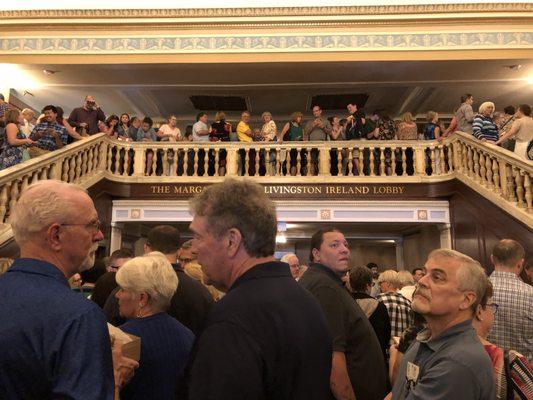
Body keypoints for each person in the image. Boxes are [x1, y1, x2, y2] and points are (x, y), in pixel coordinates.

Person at [187, 179, 333, 399]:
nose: (193, 249)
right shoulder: (306, 300)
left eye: (198, 236)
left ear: (231, 241)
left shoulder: (231, 320)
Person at [0, 180, 132, 398]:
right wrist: (114, 381)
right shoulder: (79, 317)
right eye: (92, 225)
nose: (99, 235)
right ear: (56, 236)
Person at [391, 249, 495, 400]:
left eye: (437, 277)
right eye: (425, 273)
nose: (421, 281)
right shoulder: (425, 338)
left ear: (466, 300)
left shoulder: (458, 363)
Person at [299, 228, 387, 400]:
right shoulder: (323, 287)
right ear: (316, 254)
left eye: (345, 245)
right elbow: (332, 358)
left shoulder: (326, 282)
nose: (344, 249)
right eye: (334, 245)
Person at [105, 225, 213, 336]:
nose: (119, 294)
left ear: (146, 248)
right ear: (179, 251)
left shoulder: (129, 289)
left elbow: (107, 334)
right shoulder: (201, 292)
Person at [116, 252, 195, 400]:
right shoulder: (187, 335)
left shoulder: (124, 338)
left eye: (122, 289)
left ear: (142, 298)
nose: (117, 295)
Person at [472, 277, 533, 400]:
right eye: (492, 306)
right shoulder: (511, 362)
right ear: (479, 312)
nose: (493, 311)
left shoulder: (440, 348)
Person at [488, 239, 532, 361]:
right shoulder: (531, 294)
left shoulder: (476, 291)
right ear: (520, 263)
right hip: (524, 375)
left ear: (492, 259)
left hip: (485, 372)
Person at [349, 266, 391, 363]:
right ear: (368, 286)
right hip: (375, 360)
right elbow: (385, 337)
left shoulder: (344, 304)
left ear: (350, 285)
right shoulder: (379, 306)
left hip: (350, 361)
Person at [377, 270, 414, 345]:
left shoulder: (379, 300)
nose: (379, 286)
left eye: (380, 283)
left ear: (387, 283)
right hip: (404, 347)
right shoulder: (408, 302)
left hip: (385, 346)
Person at [304, 105, 332, 175]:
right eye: (314, 111)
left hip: (323, 145)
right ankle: (313, 178)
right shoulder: (310, 122)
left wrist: (323, 127)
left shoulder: (326, 121)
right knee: (312, 162)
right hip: (312, 144)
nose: (315, 113)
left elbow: (330, 132)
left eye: (316, 111)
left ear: (320, 111)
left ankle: (322, 177)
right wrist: (313, 125)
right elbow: (306, 132)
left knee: (322, 161)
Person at [278, 111, 304, 176]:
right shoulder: (289, 124)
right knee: (292, 162)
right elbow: (282, 133)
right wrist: (280, 139)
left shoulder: (300, 126)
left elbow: (303, 137)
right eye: (298, 117)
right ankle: (291, 176)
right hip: (291, 147)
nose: (300, 118)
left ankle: (296, 175)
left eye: (300, 117)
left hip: (299, 147)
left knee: (299, 162)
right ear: (295, 117)